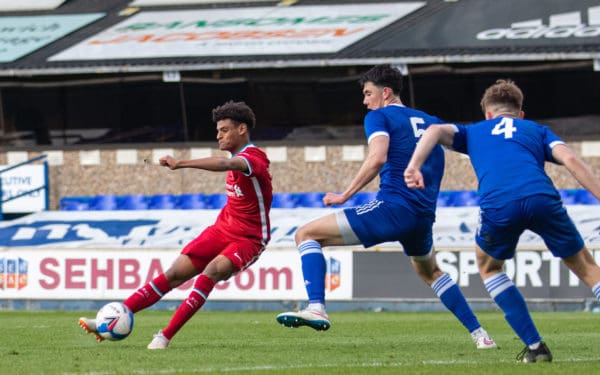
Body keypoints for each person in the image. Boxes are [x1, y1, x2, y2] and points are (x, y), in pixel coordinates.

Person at [276, 64, 496, 350]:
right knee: (431, 273)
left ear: (386, 92)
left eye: (368, 93)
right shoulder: (432, 122)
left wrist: (346, 194)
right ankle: (481, 335)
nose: (365, 101)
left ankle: (316, 306)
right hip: (422, 217)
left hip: (392, 209)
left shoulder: (378, 116)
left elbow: (377, 157)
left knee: (306, 234)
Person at [404, 79, 600, 362]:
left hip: (499, 205)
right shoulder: (537, 130)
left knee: (489, 267)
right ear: (520, 114)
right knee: (585, 265)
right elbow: (569, 159)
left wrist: (413, 166)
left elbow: (434, 130)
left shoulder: (474, 132)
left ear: (487, 114)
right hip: (541, 197)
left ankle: (535, 347)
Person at [78, 101, 273, 349]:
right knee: (173, 274)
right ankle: (111, 318)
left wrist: (180, 163)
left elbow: (226, 164)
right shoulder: (237, 157)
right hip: (221, 229)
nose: (218, 135)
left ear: (242, 129)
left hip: (249, 238)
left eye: (224, 130)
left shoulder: (254, 158)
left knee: (211, 272)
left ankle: (164, 336)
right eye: (218, 130)